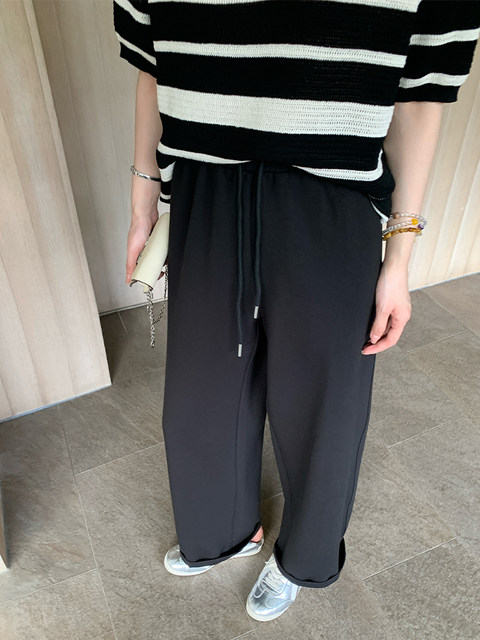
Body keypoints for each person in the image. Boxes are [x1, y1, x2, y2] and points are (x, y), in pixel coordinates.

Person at [113, 0, 480, 622]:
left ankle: (303, 560)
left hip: (333, 199)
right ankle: (222, 533)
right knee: (201, 396)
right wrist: (143, 204)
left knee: (324, 406)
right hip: (206, 188)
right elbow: (154, 67)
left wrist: (398, 257)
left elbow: (419, 98)